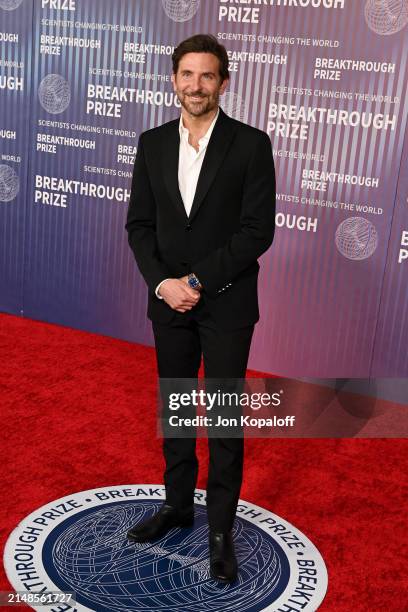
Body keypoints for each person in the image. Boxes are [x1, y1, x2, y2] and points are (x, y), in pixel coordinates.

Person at [125, 34, 275, 583]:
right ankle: (178, 504)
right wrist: (164, 284)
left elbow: (258, 231)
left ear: (224, 82)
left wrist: (196, 280)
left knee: (225, 421)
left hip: (227, 304)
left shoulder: (251, 145)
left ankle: (219, 528)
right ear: (173, 80)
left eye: (207, 76)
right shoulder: (152, 143)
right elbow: (139, 226)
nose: (196, 85)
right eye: (187, 75)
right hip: (169, 303)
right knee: (178, 410)